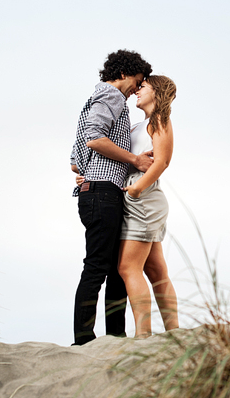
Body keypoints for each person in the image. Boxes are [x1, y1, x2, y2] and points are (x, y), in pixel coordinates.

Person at [76, 75, 179, 338]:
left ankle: (143, 335)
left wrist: (136, 188)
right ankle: (175, 333)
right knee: (155, 269)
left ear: (156, 91)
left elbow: (162, 161)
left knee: (126, 267)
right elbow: (124, 160)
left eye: (143, 87)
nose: (137, 92)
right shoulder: (139, 125)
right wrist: (89, 175)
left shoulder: (160, 121)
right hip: (135, 194)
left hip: (142, 197)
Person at [70, 49, 153, 346]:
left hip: (98, 190)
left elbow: (75, 160)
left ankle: (113, 337)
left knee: (115, 270)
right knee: (98, 267)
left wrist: (87, 171)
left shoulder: (93, 99)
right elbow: (95, 137)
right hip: (103, 192)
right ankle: (84, 341)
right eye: (137, 81)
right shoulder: (112, 96)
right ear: (123, 73)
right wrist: (135, 160)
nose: (135, 90)